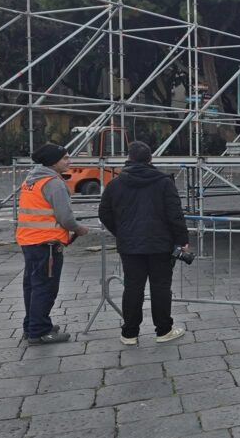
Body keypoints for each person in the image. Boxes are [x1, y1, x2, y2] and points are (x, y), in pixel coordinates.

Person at [99, 141, 189, 345]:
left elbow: (104, 212)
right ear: (150, 159)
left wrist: (121, 231)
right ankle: (163, 330)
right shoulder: (164, 182)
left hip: (129, 245)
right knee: (161, 287)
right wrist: (181, 240)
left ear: (128, 158)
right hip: (161, 244)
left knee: (132, 287)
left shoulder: (115, 183)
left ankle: (129, 333)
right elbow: (175, 214)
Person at [18, 143, 89, 344]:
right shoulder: (53, 183)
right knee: (45, 287)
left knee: (32, 285)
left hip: (29, 239)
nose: (69, 161)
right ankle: (40, 332)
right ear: (52, 162)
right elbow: (65, 217)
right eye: (65, 158)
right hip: (47, 243)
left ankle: (32, 324)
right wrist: (79, 229)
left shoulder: (31, 180)